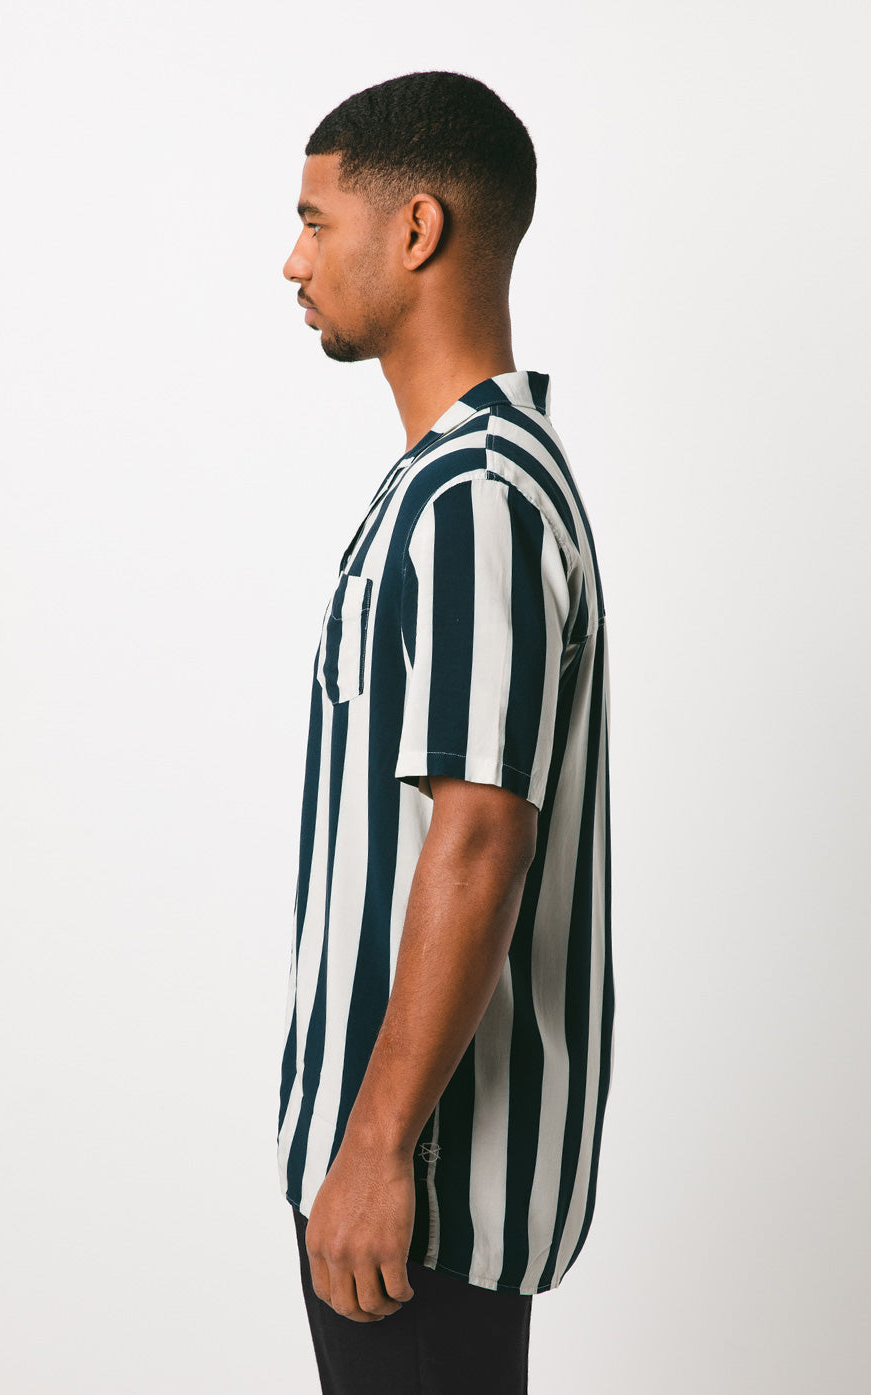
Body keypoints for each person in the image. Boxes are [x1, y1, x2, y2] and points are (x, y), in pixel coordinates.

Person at [276, 70, 614, 1395]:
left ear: (415, 229)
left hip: (423, 1192)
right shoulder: (449, 480)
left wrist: (373, 1152)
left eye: (316, 221)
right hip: (400, 1179)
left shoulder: (478, 493)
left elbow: (478, 837)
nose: (293, 262)